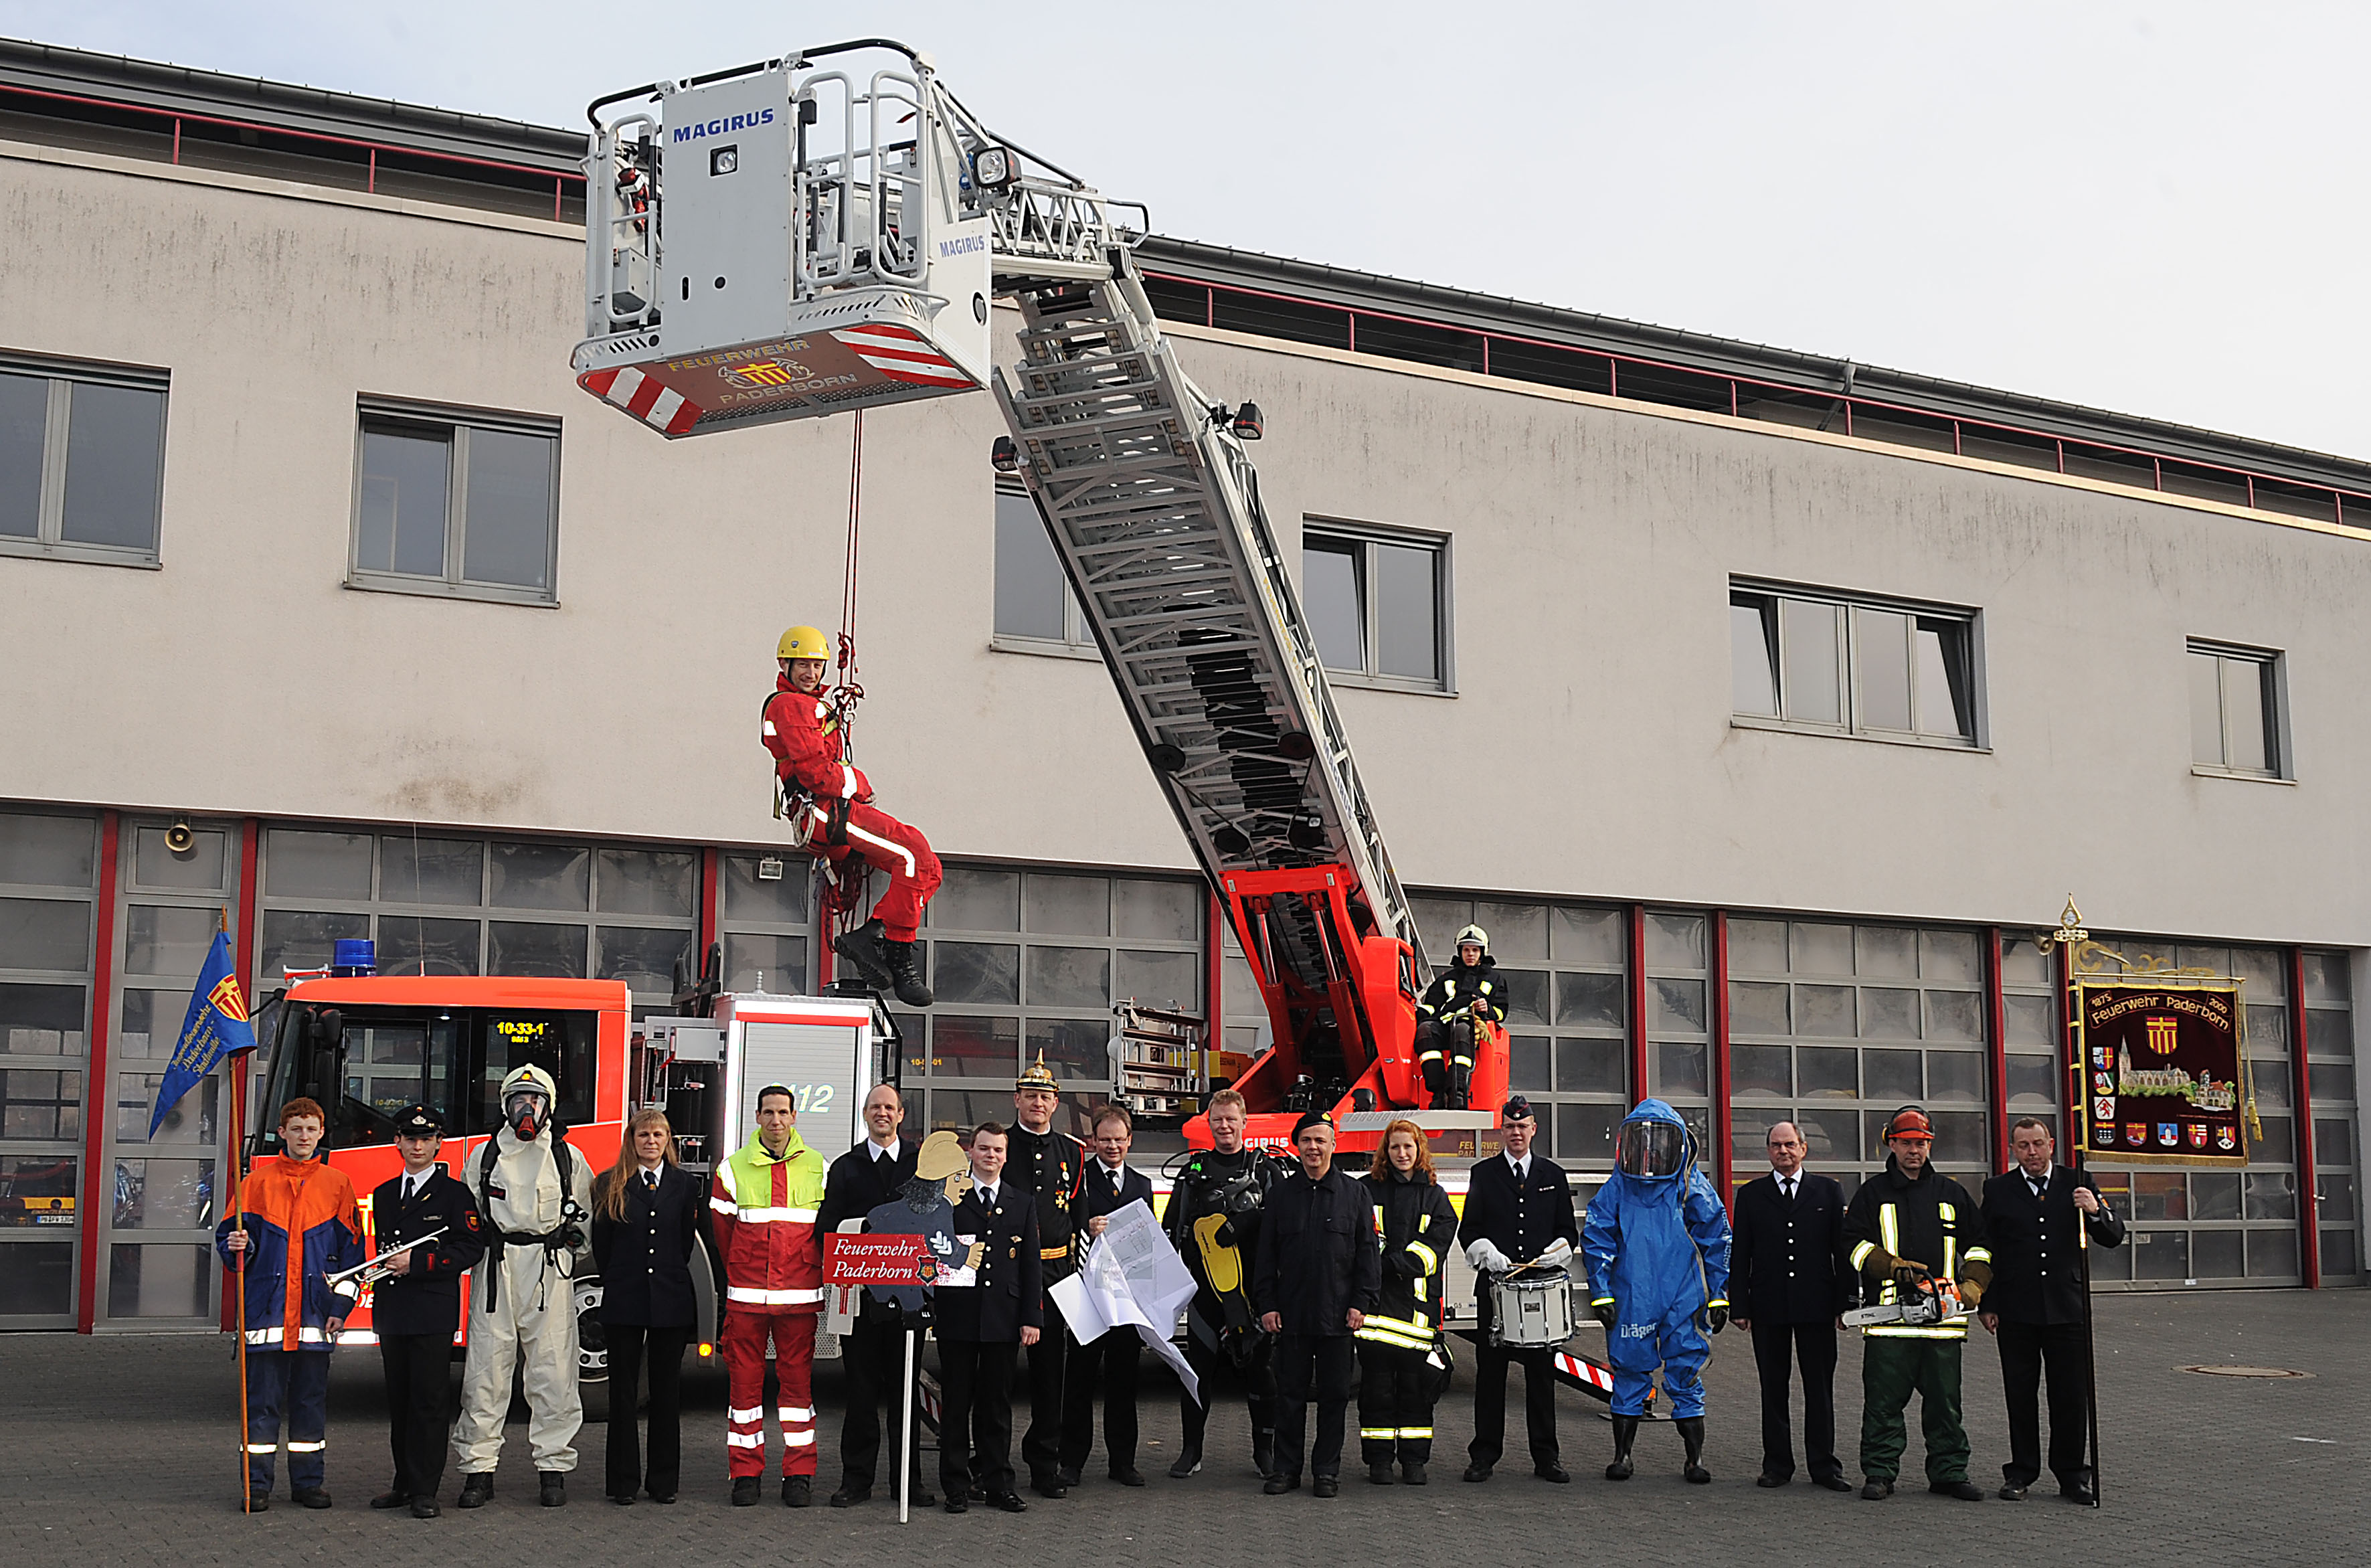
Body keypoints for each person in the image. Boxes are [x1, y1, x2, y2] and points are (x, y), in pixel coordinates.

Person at [762, 624, 943, 1007]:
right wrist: (858, 783)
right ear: (785, 665)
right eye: (802, 666)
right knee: (912, 852)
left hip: (834, 810)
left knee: (927, 869)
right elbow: (814, 772)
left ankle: (875, 933)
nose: (810, 674)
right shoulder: (789, 705)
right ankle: (897, 953)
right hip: (827, 811)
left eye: (816, 666)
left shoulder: (810, 706)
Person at [454, 1064, 597, 1509]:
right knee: (485, 1371)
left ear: (549, 1106)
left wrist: (564, 1254)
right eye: (518, 1100)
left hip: (548, 1270)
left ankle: (552, 1468)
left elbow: (584, 1221)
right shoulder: (483, 1156)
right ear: (504, 1105)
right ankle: (479, 1470)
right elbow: (470, 1216)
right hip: (496, 1270)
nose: (526, 1109)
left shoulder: (568, 1158)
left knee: (553, 1369)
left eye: (534, 1101)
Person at [217, 1096, 364, 1512]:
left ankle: (308, 1485)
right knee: (260, 1409)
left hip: (316, 1316)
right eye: (296, 1128)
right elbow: (229, 1241)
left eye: (311, 1129)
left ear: (321, 1134)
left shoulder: (338, 1184)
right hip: (266, 1315)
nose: (304, 1136)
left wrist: (340, 1308)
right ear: (282, 1133)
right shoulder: (257, 1183)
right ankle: (256, 1486)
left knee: (309, 1408)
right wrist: (236, 1246)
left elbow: (353, 1254)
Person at [1842, 1105, 1994, 1502]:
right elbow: (1851, 1246)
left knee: (1946, 1407)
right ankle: (1879, 1472)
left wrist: (1975, 1283)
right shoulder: (1872, 1193)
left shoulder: (1952, 1193)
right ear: (1891, 1143)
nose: (1914, 1151)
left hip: (1943, 1323)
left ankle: (1949, 1472)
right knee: (1882, 1406)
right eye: (1907, 1143)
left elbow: (1979, 1244)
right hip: (1889, 1323)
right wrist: (1890, 1266)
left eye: (1921, 1144)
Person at [1583, 1098, 1733, 1485]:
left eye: (1659, 1142)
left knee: (1686, 1370)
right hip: (1634, 1290)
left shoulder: (1689, 1186)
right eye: (1641, 1141)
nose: (1649, 1153)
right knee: (1630, 1369)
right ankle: (1623, 1456)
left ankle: (1694, 1459)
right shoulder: (1619, 1188)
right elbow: (1598, 1239)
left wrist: (1719, 1294)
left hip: (1683, 1291)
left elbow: (1717, 1240)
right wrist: (1601, 1293)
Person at [1979, 1116, 2124, 1504]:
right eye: (2023, 1146)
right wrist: (1988, 1303)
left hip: (2067, 1308)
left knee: (2070, 1396)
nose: (2032, 1152)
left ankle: (2072, 1474)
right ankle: (2022, 1471)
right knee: (2020, 1394)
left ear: (2051, 1145)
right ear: (2013, 1150)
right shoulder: (1998, 1189)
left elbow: (2113, 1236)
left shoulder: (2077, 1181)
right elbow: (1987, 1248)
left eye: (2038, 1144)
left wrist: (2094, 1210)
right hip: (2016, 1309)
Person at [1251, 1110, 1380, 1498]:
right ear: (1297, 1145)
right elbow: (1266, 1257)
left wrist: (1362, 1302)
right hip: (1290, 1316)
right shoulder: (1281, 1196)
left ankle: (1326, 1471)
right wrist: (1267, 1305)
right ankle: (1286, 1470)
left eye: (1320, 1140)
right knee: (1289, 1398)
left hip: (1338, 1316)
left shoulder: (1355, 1195)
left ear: (1333, 1145)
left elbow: (1368, 1256)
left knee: (1334, 1399)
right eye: (1306, 1140)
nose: (1313, 1147)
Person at [366, 1106, 487, 1519]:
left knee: (429, 1404)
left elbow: (471, 1248)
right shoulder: (383, 1194)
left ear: (438, 1143)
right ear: (397, 1142)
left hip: (432, 1313)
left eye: (426, 1138)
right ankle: (404, 1482)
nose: (418, 1146)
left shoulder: (455, 1195)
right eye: (409, 1138)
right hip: (394, 1311)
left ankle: (425, 1490)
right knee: (399, 1403)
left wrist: (417, 1263)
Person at [713, 1083, 830, 1507]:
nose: (776, 1120)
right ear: (757, 1118)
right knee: (743, 1393)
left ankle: (798, 1473)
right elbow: (723, 1237)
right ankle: (746, 1474)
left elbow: (826, 1232)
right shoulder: (732, 1170)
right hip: (746, 1300)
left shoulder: (819, 1166)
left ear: (794, 1117)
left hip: (798, 1299)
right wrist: (744, 1272)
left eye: (784, 1112)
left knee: (798, 1393)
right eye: (769, 1113)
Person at [591, 1108, 711, 1507]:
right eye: (644, 1135)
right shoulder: (610, 1184)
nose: (651, 1141)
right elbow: (602, 1246)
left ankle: (664, 1483)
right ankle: (623, 1482)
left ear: (668, 1141)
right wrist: (622, 1280)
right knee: (622, 1394)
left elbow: (683, 1243)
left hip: (669, 1300)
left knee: (666, 1393)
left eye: (659, 1134)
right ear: (632, 1140)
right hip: (625, 1300)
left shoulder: (684, 1185)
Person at [818, 1083, 930, 1508]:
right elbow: (827, 1227)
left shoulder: (922, 1165)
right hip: (860, 1301)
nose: (882, 1113)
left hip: (910, 1302)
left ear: (901, 1114)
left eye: (889, 1107)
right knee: (861, 1394)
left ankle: (908, 1481)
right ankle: (857, 1480)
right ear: (865, 1114)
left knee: (905, 1393)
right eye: (874, 1107)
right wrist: (857, 1234)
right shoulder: (846, 1167)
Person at [1457, 1095, 1579, 1484]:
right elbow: (1469, 1229)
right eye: (1509, 1126)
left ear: (1533, 1130)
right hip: (1496, 1290)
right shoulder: (1483, 1173)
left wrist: (1560, 1251)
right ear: (1502, 1130)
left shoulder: (1553, 1175)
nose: (1515, 1132)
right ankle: (1484, 1456)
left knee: (1541, 1379)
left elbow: (1568, 1233)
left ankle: (1547, 1457)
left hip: (1540, 1293)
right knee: (1490, 1378)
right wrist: (1483, 1251)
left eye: (1522, 1126)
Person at [1164, 1087, 1284, 1480]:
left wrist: (1246, 1222)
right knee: (1196, 1371)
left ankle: (1264, 1452)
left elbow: (1282, 1226)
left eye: (1232, 1119)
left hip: (1250, 1294)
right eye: (1218, 1120)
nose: (1225, 1126)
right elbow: (1170, 1228)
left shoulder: (1265, 1170)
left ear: (1245, 1123)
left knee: (1259, 1371)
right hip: (1202, 1293)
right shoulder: (1193, 1171)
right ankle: (1191, 1450)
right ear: (1209, 1124)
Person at [1729, 1120, 1853, 1492]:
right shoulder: (1751, 1194)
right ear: (1768, 1151)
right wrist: (1740, 1304)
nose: (1783, 1151)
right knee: (1773, 1387)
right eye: (1776, 1145)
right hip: (1768, 1306)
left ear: (1804, 1148)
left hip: (1817, 1305)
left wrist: (1846, 1303)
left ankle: (1824, 1466)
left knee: (1820, 1388)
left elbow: (1842, 1253)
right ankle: (1777, 1465)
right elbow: (1741, 1254)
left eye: (1789, 1145)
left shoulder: (1828, 1192)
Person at [934, 1122, 1041, 1514]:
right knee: (957, 1404)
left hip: (1003, 1318)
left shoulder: (1021, 1201)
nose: (991, 1156)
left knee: (996, 1407)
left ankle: (998, 1484)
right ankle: (956, 1485)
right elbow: (934, 1251)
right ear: (971, 1152)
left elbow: (1030, 1265)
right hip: (958, 1317)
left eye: (997, 1150)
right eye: (984, 1149)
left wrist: (1032, 1318)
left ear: (1006, 1155)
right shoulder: (951, 1198)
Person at [1355, 1118, 1459, 1486]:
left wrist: (1386, 1264)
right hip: (1375, 1312)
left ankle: (1414, 1461)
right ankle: (1379, 1462)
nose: (1402, 1154)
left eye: (1409, 1147)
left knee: (1417, 1392)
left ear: (1420, 1151)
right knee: (1376, 1392)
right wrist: (1385, 1265)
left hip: (1417, 1314)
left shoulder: (1435, 1195)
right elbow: (1358, 1239)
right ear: (1386, 1150)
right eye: (1395, 1147)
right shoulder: (1365, 1190)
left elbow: (1432, 1252)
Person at [1061, 1104, 1154, 1486]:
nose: (1112, 1146)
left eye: (1119, 1139)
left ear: (1130, 1141)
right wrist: (1084, 1225)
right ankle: (1071, 1462)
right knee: (1079, 1382)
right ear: (1093, 1141)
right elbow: (1060, 1226)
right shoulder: (1078, 1181)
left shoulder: (1141, 1184)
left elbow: (1150, 1243)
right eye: (1105, 1140)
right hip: (1086, 1296)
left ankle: (1123, 1462)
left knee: (1123, 1382)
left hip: (1125, 1299)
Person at [1006, 1054, 1086, 1498]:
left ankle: (1043, 1461)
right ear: (1017, 1099)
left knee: (1049, 1376)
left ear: (1055, 1104)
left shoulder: (1071, 1151)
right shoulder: (1000, 1144)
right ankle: (991, 1462)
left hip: (1057, 1273)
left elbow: (1078, 1214)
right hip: (1008, 1273)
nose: (1038, 1102)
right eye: (1031, 1095)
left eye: (1045, 1096)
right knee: (997, 1374)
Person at [1412, 924, 1504, 1110]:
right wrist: (1418, 1014)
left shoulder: (1494, 979)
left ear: (1482, 952)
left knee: (1462, 1030)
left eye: (1475, 950)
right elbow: (1432, 1005)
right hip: (1444, 1025)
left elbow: (1502, 1011)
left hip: (1471, 1030)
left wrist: (1487, 1010)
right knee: (1425, 1030)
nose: (1470, 954)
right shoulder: (1446, 979)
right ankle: (1438, 1093)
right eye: (1466, 950)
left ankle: (1458, 1092)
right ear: (1460, 951)